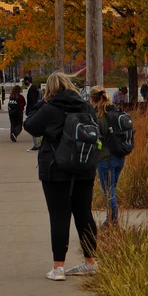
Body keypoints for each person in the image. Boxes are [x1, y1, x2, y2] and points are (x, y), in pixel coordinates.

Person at [23, 72, 98, 281]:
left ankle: (58, 268)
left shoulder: (50, 109)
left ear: (50, 90)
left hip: (56, 170)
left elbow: (29, 125)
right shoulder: (86, 107)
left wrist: (42, 103)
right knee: (84, 214)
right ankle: (90, 262)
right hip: (84, 167)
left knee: (59, 216)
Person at [89, 86, 125, 227]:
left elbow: (97, 138)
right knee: (112, 190)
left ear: (92, 99)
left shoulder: (99, 116)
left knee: (109, 192)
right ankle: (110, 218)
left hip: (105, 159)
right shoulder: (114, 110)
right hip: (120, 156)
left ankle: (113, 221)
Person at [24, 75, 42, 152]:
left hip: (33, 111)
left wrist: (31, 111)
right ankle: (37, 144)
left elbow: (33, 101)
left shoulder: (33, 89)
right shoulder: (32, 88)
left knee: (31, 126)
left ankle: (37, 144)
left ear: (27, 81)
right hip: (33, 110)